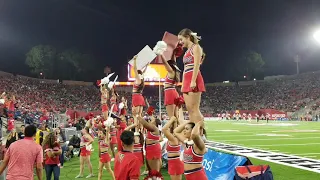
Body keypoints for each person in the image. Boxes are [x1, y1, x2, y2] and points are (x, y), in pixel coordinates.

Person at [178, 28, 206, 124]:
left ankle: (201, 134)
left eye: (181, 39)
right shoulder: (186, 52)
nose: (180, 42)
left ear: (188, 37)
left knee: (195, 109)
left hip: (193, 78)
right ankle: (194, 133)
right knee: (189, 110)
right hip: (186, 80)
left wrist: (193, 80)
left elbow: (197, 65)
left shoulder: (196, 47)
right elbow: (185, 69)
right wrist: (183, 83)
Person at [137, 115, 163, 179]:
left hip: (153, 149)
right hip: (150, 149)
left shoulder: (154, 128)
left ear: (155, 123)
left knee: (155, 172)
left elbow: (145, 124)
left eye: (152, 120)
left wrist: (138, 115)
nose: (150, 121)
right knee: (151, 171)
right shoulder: (151, 130)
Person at [160, 45, 182, 118]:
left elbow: (165, 62)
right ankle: (177, 129)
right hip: (174, 93)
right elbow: (173, 61)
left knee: (171, 117)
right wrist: (173, 53)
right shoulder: (175, 71)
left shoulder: (171, 71)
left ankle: (173, 129)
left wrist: (160, 53)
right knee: (176, 117)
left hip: (169, 93)